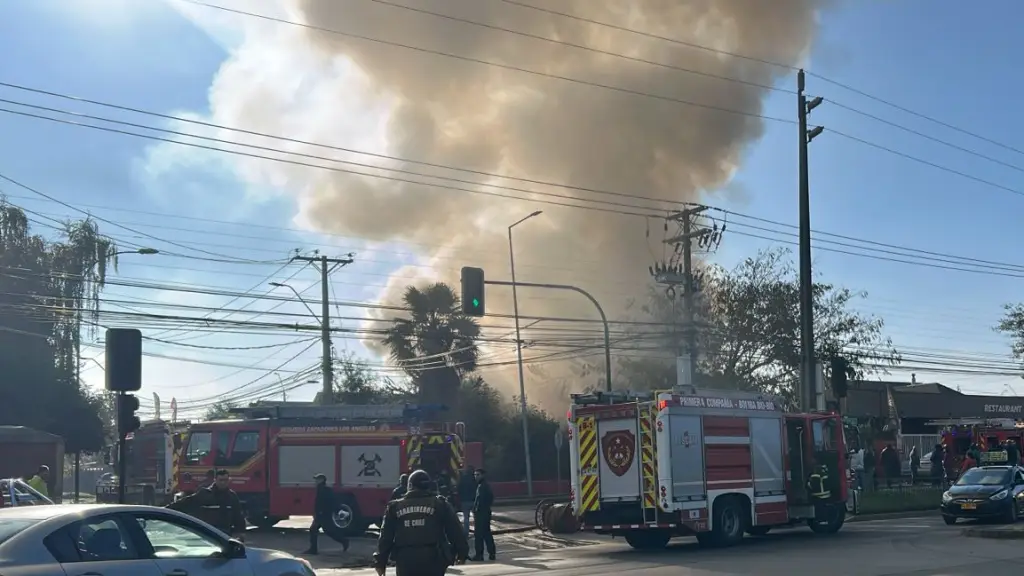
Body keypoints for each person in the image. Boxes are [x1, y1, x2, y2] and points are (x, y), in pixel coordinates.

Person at [373, 469, 468, 576]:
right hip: (433, 559)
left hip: (405, 560)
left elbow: (386, 537)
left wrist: (381, 562)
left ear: (410, 485)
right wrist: (462, 553)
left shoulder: (395, 507)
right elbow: (455, 531)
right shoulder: (440, 504)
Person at [167, 469, 247, 539]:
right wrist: (166, 509)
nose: (223, 483)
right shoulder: (205, 494)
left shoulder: (232, 496)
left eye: (225, 480)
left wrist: (241, 534)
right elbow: (186, 502)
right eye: (221, 480)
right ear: (215, 480)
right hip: (208, 534)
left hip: (225, 535)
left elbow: (238, 516)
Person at [304, 473, 350, 555]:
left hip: (324, 515)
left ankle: (344, 541)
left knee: (326, 531)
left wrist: (336, 510)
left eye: (317, 479)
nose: (315, 481)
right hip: (320, 514)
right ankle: (313, 549)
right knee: (320, 530)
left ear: (322, 480)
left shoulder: (325, 490)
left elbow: (332, 501)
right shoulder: (320, 489)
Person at [470, 468, 495, 562]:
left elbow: (480, 501)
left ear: (483, 475)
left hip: (481, 513)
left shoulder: (482, 486)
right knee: (487, 533)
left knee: (479, 535)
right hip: (485, 512)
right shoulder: (484, 485)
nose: (476, 477)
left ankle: (479, 555)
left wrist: (476, 510)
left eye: (478, 475)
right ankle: (492, 553)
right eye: (475, 475)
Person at [456, 465, 476, 537]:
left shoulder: (463, 478)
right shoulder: (475, 479)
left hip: (465, 501)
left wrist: (460, 498)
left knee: (466, 518)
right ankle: (477, 532)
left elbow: (458, 488)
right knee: (476, 517)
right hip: (474, 500)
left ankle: (466, 533)